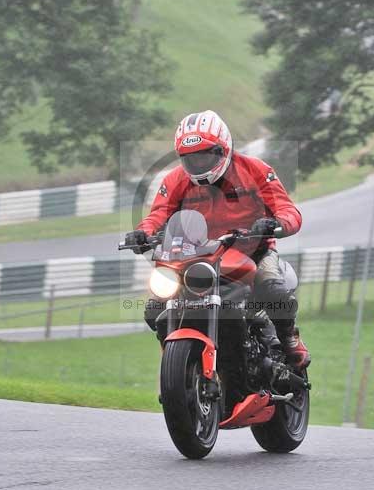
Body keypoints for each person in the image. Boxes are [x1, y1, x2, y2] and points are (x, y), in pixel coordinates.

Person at [125, 110, 310, 369]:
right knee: (155, 307)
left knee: (273, 291)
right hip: (195, 255)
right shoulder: (174, 180)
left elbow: (287, 209)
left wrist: (276, 223)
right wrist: (143, 232)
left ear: (223, 149)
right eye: (191, 158)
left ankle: (289, 339)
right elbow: (159, 214)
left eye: (205, 155)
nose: (198, 163)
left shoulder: (256, 170)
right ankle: (178, 362)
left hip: (252, 251)